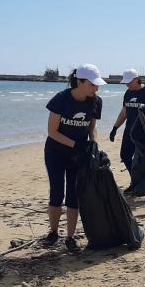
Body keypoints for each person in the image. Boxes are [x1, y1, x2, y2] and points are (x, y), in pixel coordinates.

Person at [43, 63, 106, 253]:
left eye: (97, 85)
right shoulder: (61, 100)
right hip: (55, 152)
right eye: (93, 84)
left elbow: (91, 126)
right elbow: (52, 131)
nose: (96, 88)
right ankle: (53, 233)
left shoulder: (96, 101)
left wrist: (93, 143)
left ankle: (70, 237)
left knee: (73, 194)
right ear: (80, 82)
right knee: (56, 192)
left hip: (78, 155)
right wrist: (75, 144)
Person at [108, 69, 145, 184]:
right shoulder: (128, 93)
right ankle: (135, 181)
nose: (127, 85)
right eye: (126, 83)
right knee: (125, 155)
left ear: (137, 79)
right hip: (130, 130)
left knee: (143, 158)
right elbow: (124, 111)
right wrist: (115, 128)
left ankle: (143, 183)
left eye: (129, 82)